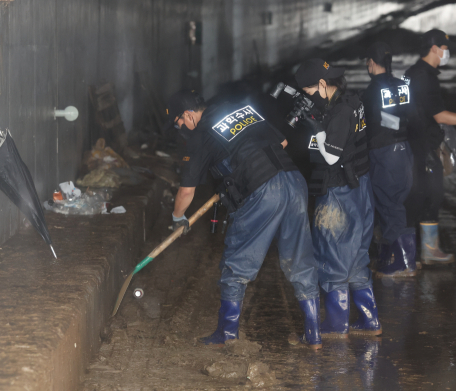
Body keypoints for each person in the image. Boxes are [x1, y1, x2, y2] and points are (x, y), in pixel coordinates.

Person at [165, 89, 322, 350]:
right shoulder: (237, 107)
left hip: (263, 190)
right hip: (294, 181)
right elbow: (281, 143)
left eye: (179, 123)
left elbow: (186, 191)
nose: (181, 128)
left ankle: (227, 333)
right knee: (300, 260)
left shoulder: (200, 135)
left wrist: (177, 218)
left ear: (188, 115)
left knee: (236, 263)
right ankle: (314, 334)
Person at [294, 59, 381, 338]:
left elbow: (331, 156)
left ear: (322, 84)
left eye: (308, 92)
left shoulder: (341, 111)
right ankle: (369, 321)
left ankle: (335, 325)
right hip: (360, 188)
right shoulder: (352, 101)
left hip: (339, 192)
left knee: (332, 255)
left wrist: (315, 127)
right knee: (356, 256)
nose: (307, 97)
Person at [404, 29, 456, 264]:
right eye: (444, 48)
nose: (447, 52)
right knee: (429, 195)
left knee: (423, 195)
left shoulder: (413, 72)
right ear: (434, 48)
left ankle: (416, 252)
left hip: (413, 142)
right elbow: (440, 116)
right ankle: (424, 252)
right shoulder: (425, 77)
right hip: (423, 146)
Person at [361, 42, 418, 277]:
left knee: (388, 203)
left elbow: (371, 123)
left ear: (372, 63)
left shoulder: (371, 91)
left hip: (384, 151)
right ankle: (396, 257)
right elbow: (412, 115)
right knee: (395, 201)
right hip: (404, 149)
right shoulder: (403, 86)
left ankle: (401, 263)